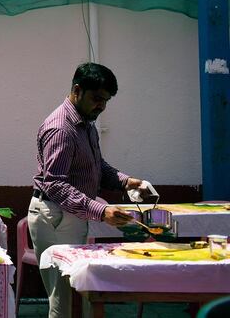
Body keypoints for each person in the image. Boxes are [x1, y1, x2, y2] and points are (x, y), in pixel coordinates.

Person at [28, 63, 156, 318]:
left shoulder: (85, 123)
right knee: (63, 301)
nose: (102, 106)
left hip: (72, 215)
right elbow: (55, 184)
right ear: (77, 90)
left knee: (84, 294)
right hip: (54, 216)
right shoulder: (61, 128)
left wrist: (125, 181)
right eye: (97, 99)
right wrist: (101, 210)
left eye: (106, 101)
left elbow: (97, 167)